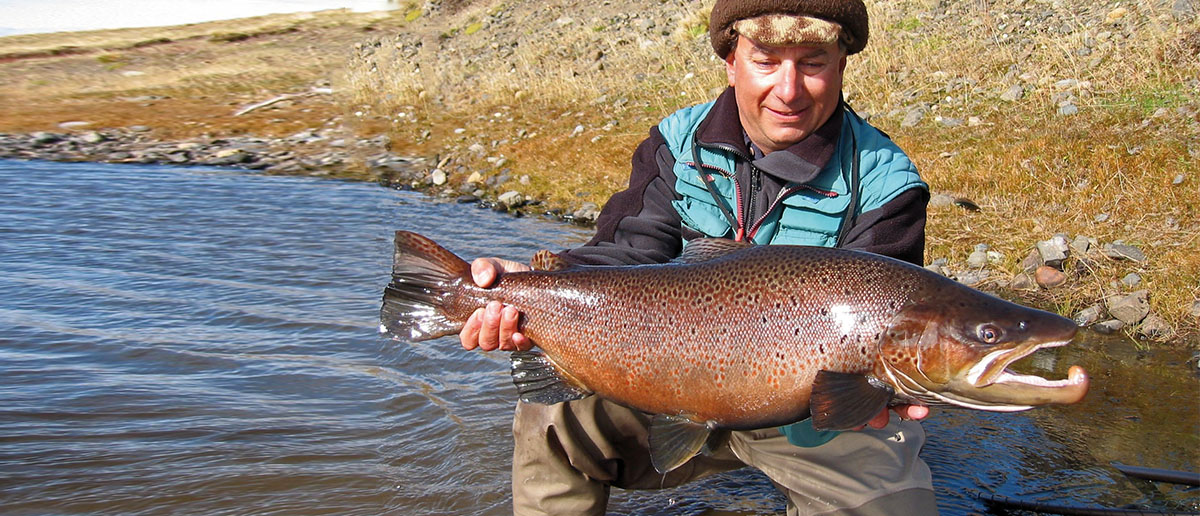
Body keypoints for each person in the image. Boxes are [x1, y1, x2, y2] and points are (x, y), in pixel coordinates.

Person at [460, 0, 938, 514]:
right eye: (766, 60)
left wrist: (890, 386)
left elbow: (886, 321)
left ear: (842, 64)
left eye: (813, 62)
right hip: (663, 380)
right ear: (731, 61)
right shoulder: (676, 143)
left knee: (892, 506)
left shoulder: (888, 183)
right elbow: (623, 256)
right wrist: (523, 289)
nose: (789, 88)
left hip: (812, 413)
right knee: (550, 419)